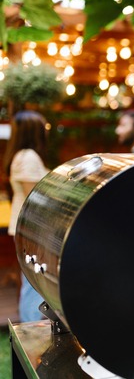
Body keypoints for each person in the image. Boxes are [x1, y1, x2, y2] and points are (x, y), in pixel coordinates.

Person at [2, 111, 50, 322]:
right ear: (35, 131)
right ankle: (30, 333)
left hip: (26, 227)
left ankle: (29, 328)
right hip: (31, 228)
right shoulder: (29, 156)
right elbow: (37, 195)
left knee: (31, 282)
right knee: (33, 284)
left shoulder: (21, 155)